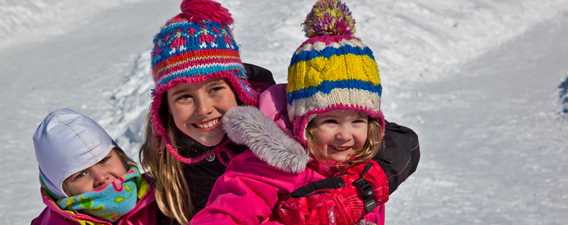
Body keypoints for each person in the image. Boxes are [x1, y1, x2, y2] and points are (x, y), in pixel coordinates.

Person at [140, 0, 420, 224]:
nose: (204, 109)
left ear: (238, 88)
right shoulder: (169, 162)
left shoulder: (282, 124)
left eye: (216, 89)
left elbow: (400, 141)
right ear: (164, 107)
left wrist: (358, 192)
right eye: (184, 97)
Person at [31, 108, 160, 225]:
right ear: (59, 192)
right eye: (81, 174)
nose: (101, 177)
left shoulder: (164, 198)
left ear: (121, 157)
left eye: (104, 160)